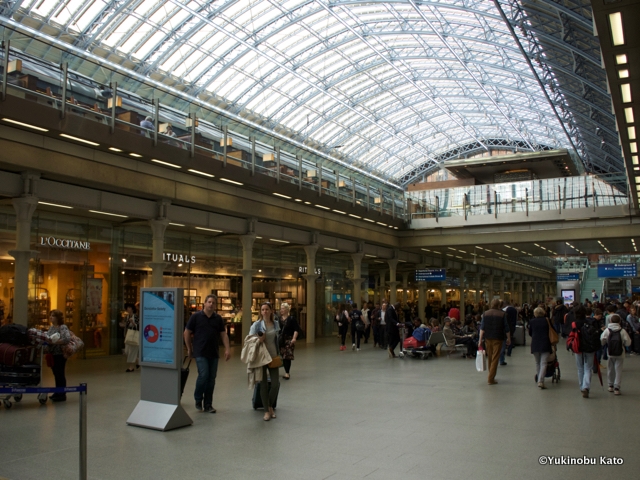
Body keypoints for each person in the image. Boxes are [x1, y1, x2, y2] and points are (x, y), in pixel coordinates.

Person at [183, 294, 230, 413]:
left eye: (213, 303)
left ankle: (208, 404)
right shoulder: (196, 317)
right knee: (204, 375)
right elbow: (187, 332)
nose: (211, 304)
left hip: (213, 352)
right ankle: (198, 398)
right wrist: (189, 348)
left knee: (211, 378)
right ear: (204, 303)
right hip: (200, 351)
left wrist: (227, 349)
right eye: (209, 302)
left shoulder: (218, 319)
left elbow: (223, 334)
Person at [249, 302, 281, 421]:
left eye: (267, 309)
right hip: (262, 357)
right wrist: (258, 339)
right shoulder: (257, 325)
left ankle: (270, 405)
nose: (265, 312)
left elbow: (277, 339)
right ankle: (267, 411)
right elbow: (249, 339)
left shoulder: (276, 324)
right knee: (262, 385)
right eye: (262, 310)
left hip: (273, 356)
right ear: (260, 312)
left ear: (271, 311)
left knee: (275, 384)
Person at [478, 298, 511, 385]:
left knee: (490, 357)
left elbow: (482, 328)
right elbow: (506, 328)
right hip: (498, 338)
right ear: (499, 305)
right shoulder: (502, 314)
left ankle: (491, 375)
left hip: (488, 338)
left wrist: (480, 340)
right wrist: (509, 338)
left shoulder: (485, 314)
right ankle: (490, 378)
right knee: (495, 358)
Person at [572, 305, 601, 398]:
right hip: (590, 347)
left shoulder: (574, 323)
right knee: (588, 368)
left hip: (578, 347)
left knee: (580, 368)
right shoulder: (592, 322)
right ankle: (586, 387)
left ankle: (581, 387)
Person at [600, 314, 631, 395]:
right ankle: (617, 387)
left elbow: (602, 340)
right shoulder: (622, 331)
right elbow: (628, 342)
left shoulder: (607, 330)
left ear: (610, 321)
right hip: (620, 353)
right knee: (618, 370)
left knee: (610, 369)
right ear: (619, 321)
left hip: (610, 352)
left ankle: (610, 385)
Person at [46, 310, 71, 402]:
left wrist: (55, 342)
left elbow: (66, 338)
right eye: (50, 315)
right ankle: (57, 391)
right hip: (53, 354)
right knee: (56, 373)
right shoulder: (52, 328)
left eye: (53, 316)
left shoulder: (62, 327)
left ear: (58, 318)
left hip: (60, 354)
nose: (51, 317)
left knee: (60, 373)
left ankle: (62, 393)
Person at [528, 306, 555, 389]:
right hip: (545, 343)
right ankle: (541, 380)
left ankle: (539, 378)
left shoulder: (532, 321)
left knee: (537, 363)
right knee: (544, 363)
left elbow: (530, 333)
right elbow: (553, 330)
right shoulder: (547, 320)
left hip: (535, 343)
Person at [278, 302, 301, 380]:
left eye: (283, 308)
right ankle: (286, 370)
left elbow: (296, 329)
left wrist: (294, 338)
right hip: (281, 340)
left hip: (289, 339)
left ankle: (287, 372)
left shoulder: (291, 319)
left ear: (287, 309)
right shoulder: (279, 319)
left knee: (287, 356)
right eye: (281, 308)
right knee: (283, 356)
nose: (281, 310)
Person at [121, 304, 139, 372]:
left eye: (129, 307)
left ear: (132, 308)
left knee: (132, 351)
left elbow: (139, 326)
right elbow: (126, 325)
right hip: (128, 335)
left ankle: (131, 367)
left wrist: (133, 323)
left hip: (134, 335)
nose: (128, 309)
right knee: (127, 351)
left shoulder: (136, 316)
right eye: (127, 308)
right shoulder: (127, 316)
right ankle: (138, 361)